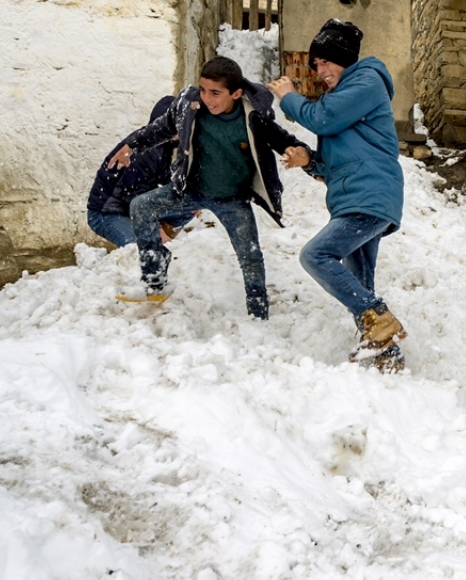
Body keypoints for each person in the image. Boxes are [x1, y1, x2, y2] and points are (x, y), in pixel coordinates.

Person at [108, 56, 312, 319]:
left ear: (236, 93)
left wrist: (299, 154)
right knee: (141, 206)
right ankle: (154, 283)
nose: (207, 99)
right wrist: (131, 146)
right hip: (190, 190)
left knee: (250, 256)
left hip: (233, 199)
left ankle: (258, 313)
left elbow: (283, 140)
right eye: (203, 90)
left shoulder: (253, 117)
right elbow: (161, 128)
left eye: (215, 93)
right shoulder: (190, 106)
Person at [265, 19, 407, 372]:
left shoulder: (366, 82)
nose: (320, 70)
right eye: (316, 64)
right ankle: (384, 353)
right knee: (359, 282)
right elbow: (331, 164)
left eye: (326, 62)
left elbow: (322, 119)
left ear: (343, 59)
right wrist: (309, 160)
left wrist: (288, 96)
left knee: (316, 255)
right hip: (355, 197)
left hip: (369, 195)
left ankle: (379, 320)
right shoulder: (346, 96)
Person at [87, 96, 192, 247]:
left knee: (189, 207)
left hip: (132, 206)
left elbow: (165, 178)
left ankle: (164, 242)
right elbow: (133, 197)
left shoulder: (164, 146)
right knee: (141, 249)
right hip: (108, 213)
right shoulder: (145, 149)